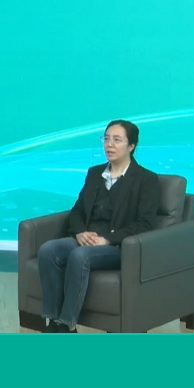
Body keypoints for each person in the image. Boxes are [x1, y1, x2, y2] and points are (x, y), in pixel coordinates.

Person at [38, 120, 160, 333]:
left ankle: (67, 324)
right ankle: (53, 320)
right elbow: (77, 211)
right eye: (106, 138)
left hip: (117, 246)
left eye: (117, 140)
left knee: (80, 256)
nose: (109, 144)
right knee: (49, 250)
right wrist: (79, 232)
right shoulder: (95, 173)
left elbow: (145, 224)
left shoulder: (146, 179)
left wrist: (108, 239)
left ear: (131, 146)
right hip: (87, 238)